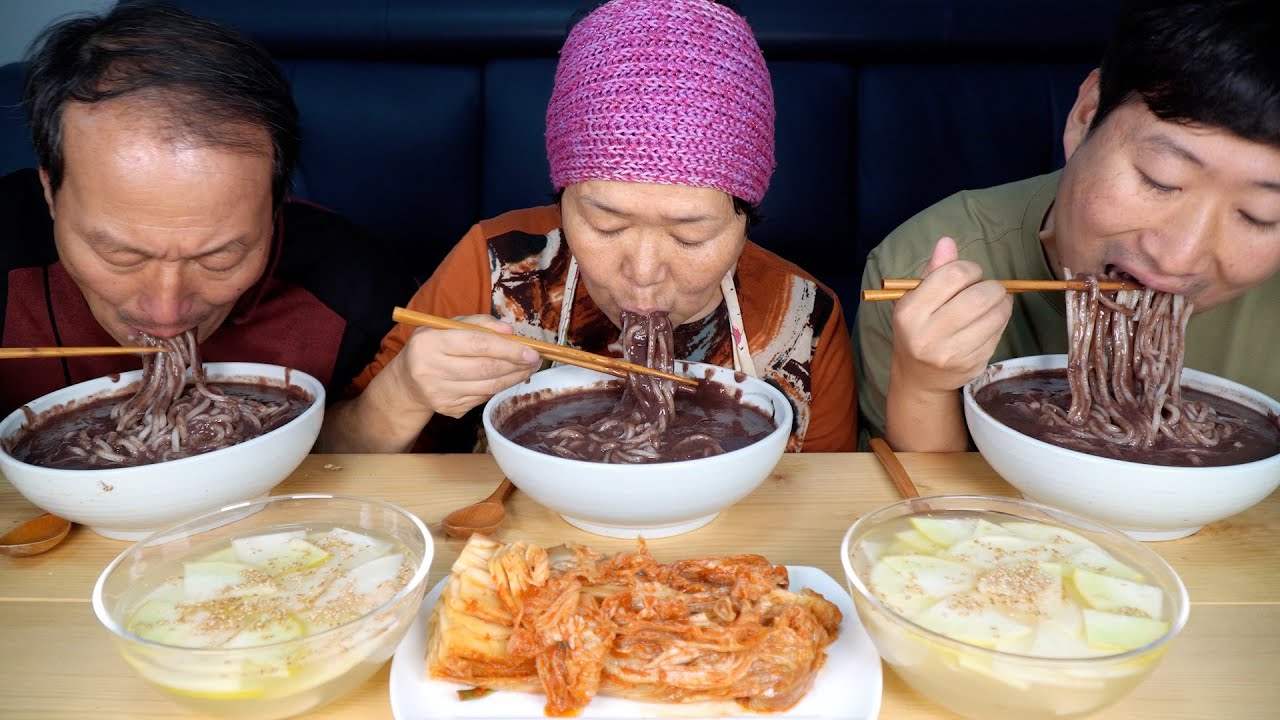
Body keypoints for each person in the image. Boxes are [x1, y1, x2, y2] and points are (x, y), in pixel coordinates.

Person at [319, 0, 858, 454]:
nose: (643, 275)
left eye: (690, 234)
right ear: (562, 201)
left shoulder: (803, 323)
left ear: (746, 218)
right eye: (605, 225)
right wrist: (404, 394)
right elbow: (334, 461)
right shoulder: (495, 263)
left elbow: (826, 510)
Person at [855, 0, 1280, 451]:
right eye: (1160, 180)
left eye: (1258, 215)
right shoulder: (927, 271)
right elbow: (918, 505)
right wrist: (925, 384)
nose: (1179, 255)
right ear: (1085, 117)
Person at [0, 2, 415, 414]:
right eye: (121, 255)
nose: (167, 313)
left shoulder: (359, 295)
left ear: (275, 206)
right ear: (50, 191)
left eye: (219, 257)